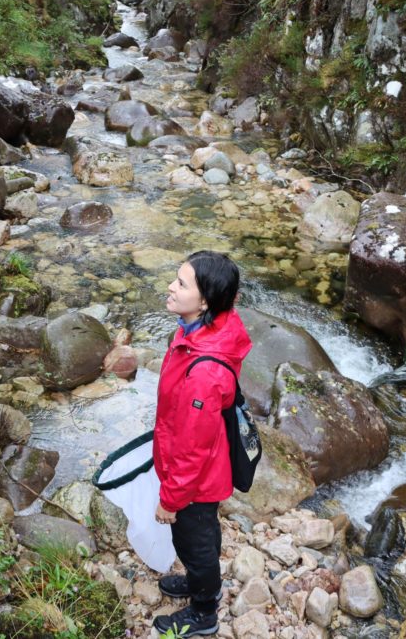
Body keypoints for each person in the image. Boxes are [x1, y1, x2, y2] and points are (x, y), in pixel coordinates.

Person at [151, 251, 252, 637]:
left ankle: (205, 611)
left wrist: (171, 499)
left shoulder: (205, 372)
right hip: (195, 465)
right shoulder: (203, 328)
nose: (170, 288)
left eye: (181, 283)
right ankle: (197, 584)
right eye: (175, 279)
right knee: (198, 534)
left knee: (196, 540)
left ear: (206, 301)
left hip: (197, 480)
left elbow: (193, 450)